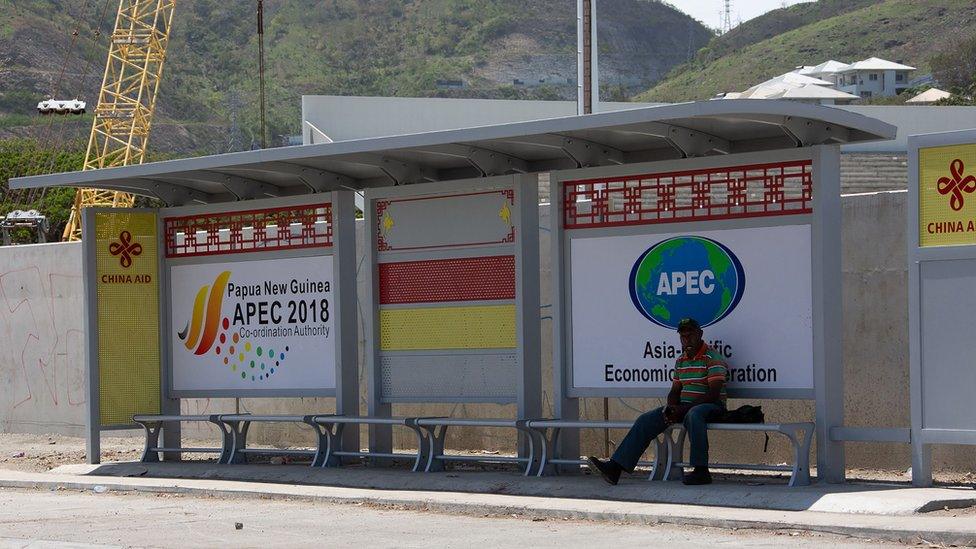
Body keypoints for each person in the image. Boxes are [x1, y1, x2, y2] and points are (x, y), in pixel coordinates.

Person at [587, 317, 728, 486]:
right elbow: (675, 390)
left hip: (711, 408)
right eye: (683, 336)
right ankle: (615, 468)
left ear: (700, 334)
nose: (687, 340)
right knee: (646, 420)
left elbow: (713, 394)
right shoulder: (681, 361)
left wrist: (682, 410)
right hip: (685, 408)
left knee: (694, 414)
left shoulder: (712, 357)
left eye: (691, 335)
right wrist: (671, 408)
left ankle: (701, 471)